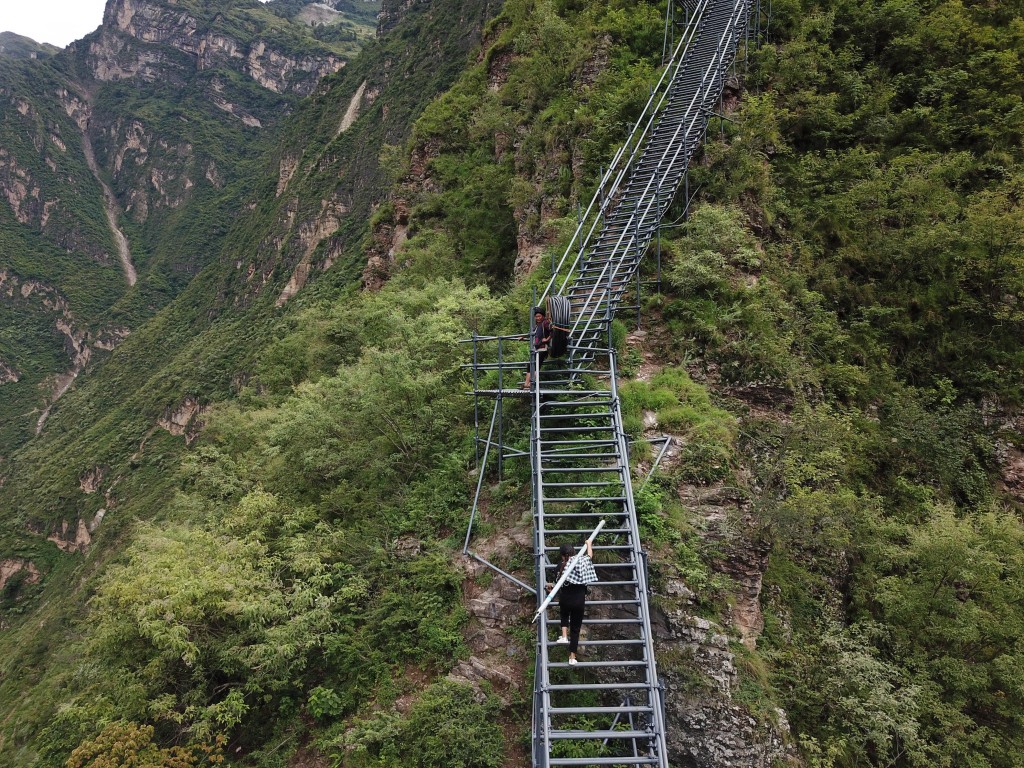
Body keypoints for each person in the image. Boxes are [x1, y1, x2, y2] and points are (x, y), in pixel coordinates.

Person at [552, 539, 597, 665]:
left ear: (562, 555)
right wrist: (589, 544)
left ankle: (564, 636)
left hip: (565, 599)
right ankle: (572, 657)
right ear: (574, 552)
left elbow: (556, 582)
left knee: (564, 615)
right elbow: (589, 556)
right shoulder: (581, 563)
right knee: (576, 630)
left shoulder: (560, 566)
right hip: (579, 601)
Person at [522, 307, 551, 390]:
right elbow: (531, 333)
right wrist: (523, 337)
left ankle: (532, 384)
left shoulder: (545, 323)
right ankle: (526, 384)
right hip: (536, 348)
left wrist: (547, 339)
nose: (538, 318)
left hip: (542, 348)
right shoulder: (537, 325)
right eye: (536, 316)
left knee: (536, 366)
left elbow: (552, 331)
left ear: (542, 316)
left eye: (539, 316)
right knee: (529, 366)